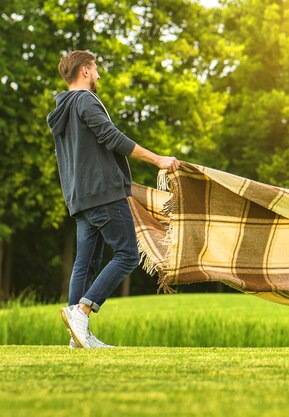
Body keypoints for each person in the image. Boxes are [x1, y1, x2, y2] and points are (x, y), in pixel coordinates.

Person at [47, 50, 180, 348]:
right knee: (127, 255)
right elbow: (111, 137)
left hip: (80, 197)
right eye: (95, 69)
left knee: (85, 263)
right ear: (84, 71)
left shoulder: (63, 109)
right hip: (104, 192)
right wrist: (157, 159)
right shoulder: (84, 101)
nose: (98, 75)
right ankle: (82, 311)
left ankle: (77, 336)